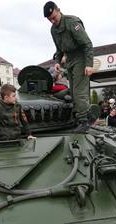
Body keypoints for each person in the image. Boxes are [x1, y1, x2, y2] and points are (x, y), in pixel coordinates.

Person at [44, 1, 94, 132]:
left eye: (54, 17)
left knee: (79, 92)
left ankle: (84, 121)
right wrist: (57, 62)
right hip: (69, 60)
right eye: (50, 20)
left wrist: (89, 64)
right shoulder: (53, 30)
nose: (53, 21)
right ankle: (78, 119)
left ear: (58, 10)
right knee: (72, 92)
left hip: (80, 58)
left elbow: (87, 44)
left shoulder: (72, 22)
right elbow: (59, 49)